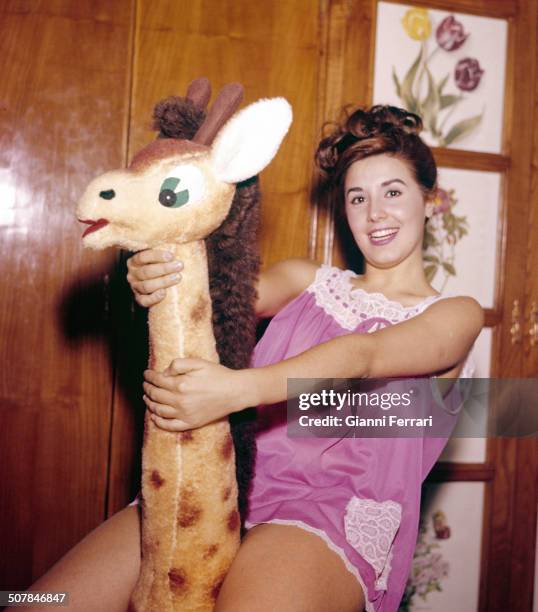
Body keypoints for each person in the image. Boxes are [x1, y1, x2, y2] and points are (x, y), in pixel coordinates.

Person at [15, 105, 482, 612]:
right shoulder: (308, 280)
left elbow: (364, 355)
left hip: (328, 516)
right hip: (221, 482)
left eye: (394, 192)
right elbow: (212, 293)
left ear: (430, 202)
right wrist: (147, 275)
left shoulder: (456, 314)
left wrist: (237, 389)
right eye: (357, 197)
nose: (376, 213)